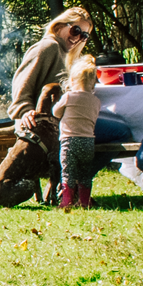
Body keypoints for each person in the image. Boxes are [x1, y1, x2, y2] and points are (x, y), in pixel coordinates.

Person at [6, 7, 132, 198]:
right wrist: (25, 111)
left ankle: (67, 185)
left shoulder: (64, 52)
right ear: (60, 25)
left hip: (63, 120)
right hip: (46, 125)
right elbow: (21, 86)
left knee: (112, 125)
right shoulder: (47, 47)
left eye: (84, 36)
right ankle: (72, 184)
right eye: (75, 31)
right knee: (121, 131)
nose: (78, 38)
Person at [53, 56, 101, 209]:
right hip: (88, 141)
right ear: (93, 82)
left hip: (69, 141)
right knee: (85, 174)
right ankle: (84, 202)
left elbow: (56, 112)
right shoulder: (96, 101)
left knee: (68, 172)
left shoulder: (68, 97)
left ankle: (67, 202)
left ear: (72, 81)